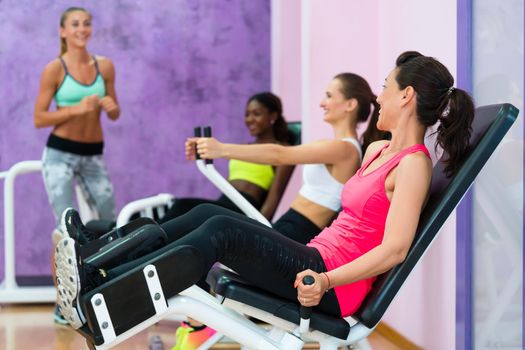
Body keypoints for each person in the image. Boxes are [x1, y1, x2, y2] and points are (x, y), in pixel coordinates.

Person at [58, 49, 476, 344]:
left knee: (220, 228)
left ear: (406, 97)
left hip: (326, 283)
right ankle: (97, 261)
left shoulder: (413, 165)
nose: (378, 96)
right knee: (207, 211)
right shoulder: (377, 149)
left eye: (386, 87)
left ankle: (106, 293)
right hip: (312, 255)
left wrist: (327, 279)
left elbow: (396, 249)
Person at [185, 72, 385, 244]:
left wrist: (220, 149)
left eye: (329, 96)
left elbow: (280, 155)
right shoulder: (330, 145)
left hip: (296, 234)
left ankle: (156, 259)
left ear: (350, 104)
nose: (322, 103)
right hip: (286, 227)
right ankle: (157, 254)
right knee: (204, 216)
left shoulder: (345, 149)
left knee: (209, 219)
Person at [33, 7, 120, 324]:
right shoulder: (54, 69)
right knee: (65, 229)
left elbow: (114, 112)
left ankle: (103, 292)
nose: (82, 29)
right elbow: (39, 118)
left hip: (94, 154)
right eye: (75, 24)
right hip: (60, 154)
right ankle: (64, 302)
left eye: (86, 24)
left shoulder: (105, 66)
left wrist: (111, 107)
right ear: (63, 31)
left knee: (108, 225)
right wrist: (74, 110)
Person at [159, 92, 295, 223]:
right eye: (247, 114)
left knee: (182, 207)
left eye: (257, 114)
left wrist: (260, 228)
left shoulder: (283, 150)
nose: (249, 119)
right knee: (169, 210)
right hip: (223, 202)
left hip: (243, 210)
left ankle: (149, 243)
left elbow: (274, 197)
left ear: (273, 116)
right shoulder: (241, 148)